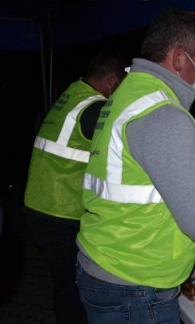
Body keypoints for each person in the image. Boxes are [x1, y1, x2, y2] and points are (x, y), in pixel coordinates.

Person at [75, 9, 195, 323]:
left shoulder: (127, 95)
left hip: (109, 265)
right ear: (180, 59)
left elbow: (152, 187)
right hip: (135, 282)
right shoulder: (164, 115)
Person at [22, 50, 125, 324]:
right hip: (59, 211)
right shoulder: (94, 108)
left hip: (42, 204)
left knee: (63, 283)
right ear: (112, 81)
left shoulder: (72, 95)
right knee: (72, 288)